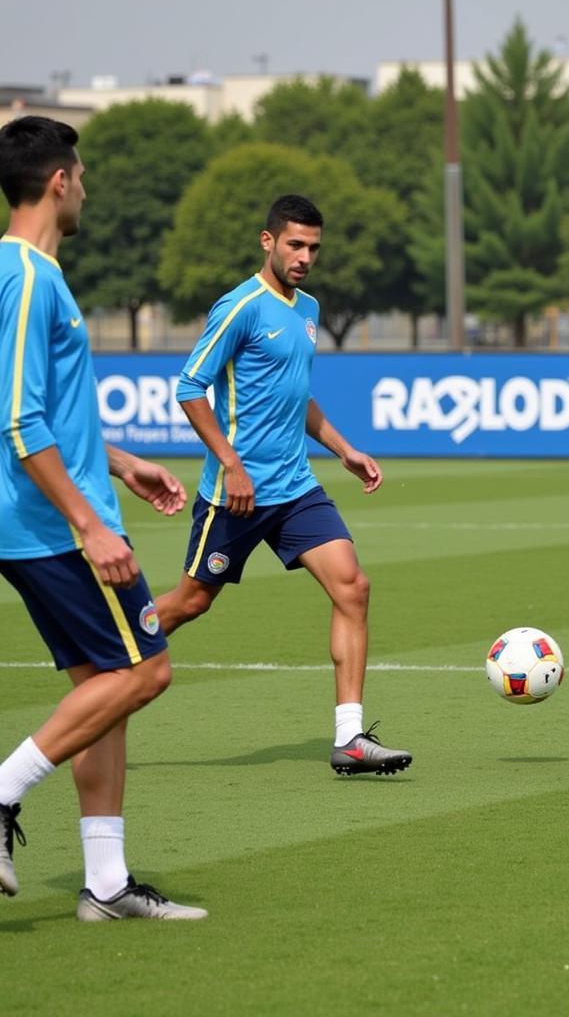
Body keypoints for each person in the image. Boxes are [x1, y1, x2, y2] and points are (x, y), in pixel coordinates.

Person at [0, 115, 207, 918]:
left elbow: (47, 412)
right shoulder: (26, 274)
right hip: (51, 528)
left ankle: (107, 884)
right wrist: (92, 522)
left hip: (50, 515)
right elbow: (18, 422)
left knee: (104, 689)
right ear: (59, 181)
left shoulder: (30, 272)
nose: (84, 188)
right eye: (80, 176)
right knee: (145, 671)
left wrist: (120, 462)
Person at [155, 194, 411, 777]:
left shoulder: (308, 308)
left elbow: (298, 397)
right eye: (295, 244)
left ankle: (350, 739)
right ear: (268, 241)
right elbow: (190, 387)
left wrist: (345, 450)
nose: (305, 257)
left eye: (314, 248)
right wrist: (230, 463)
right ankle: (106, 644)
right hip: (236, 495)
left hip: (295, 488)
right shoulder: (240, 306)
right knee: (192, 601)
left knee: (353, 587)